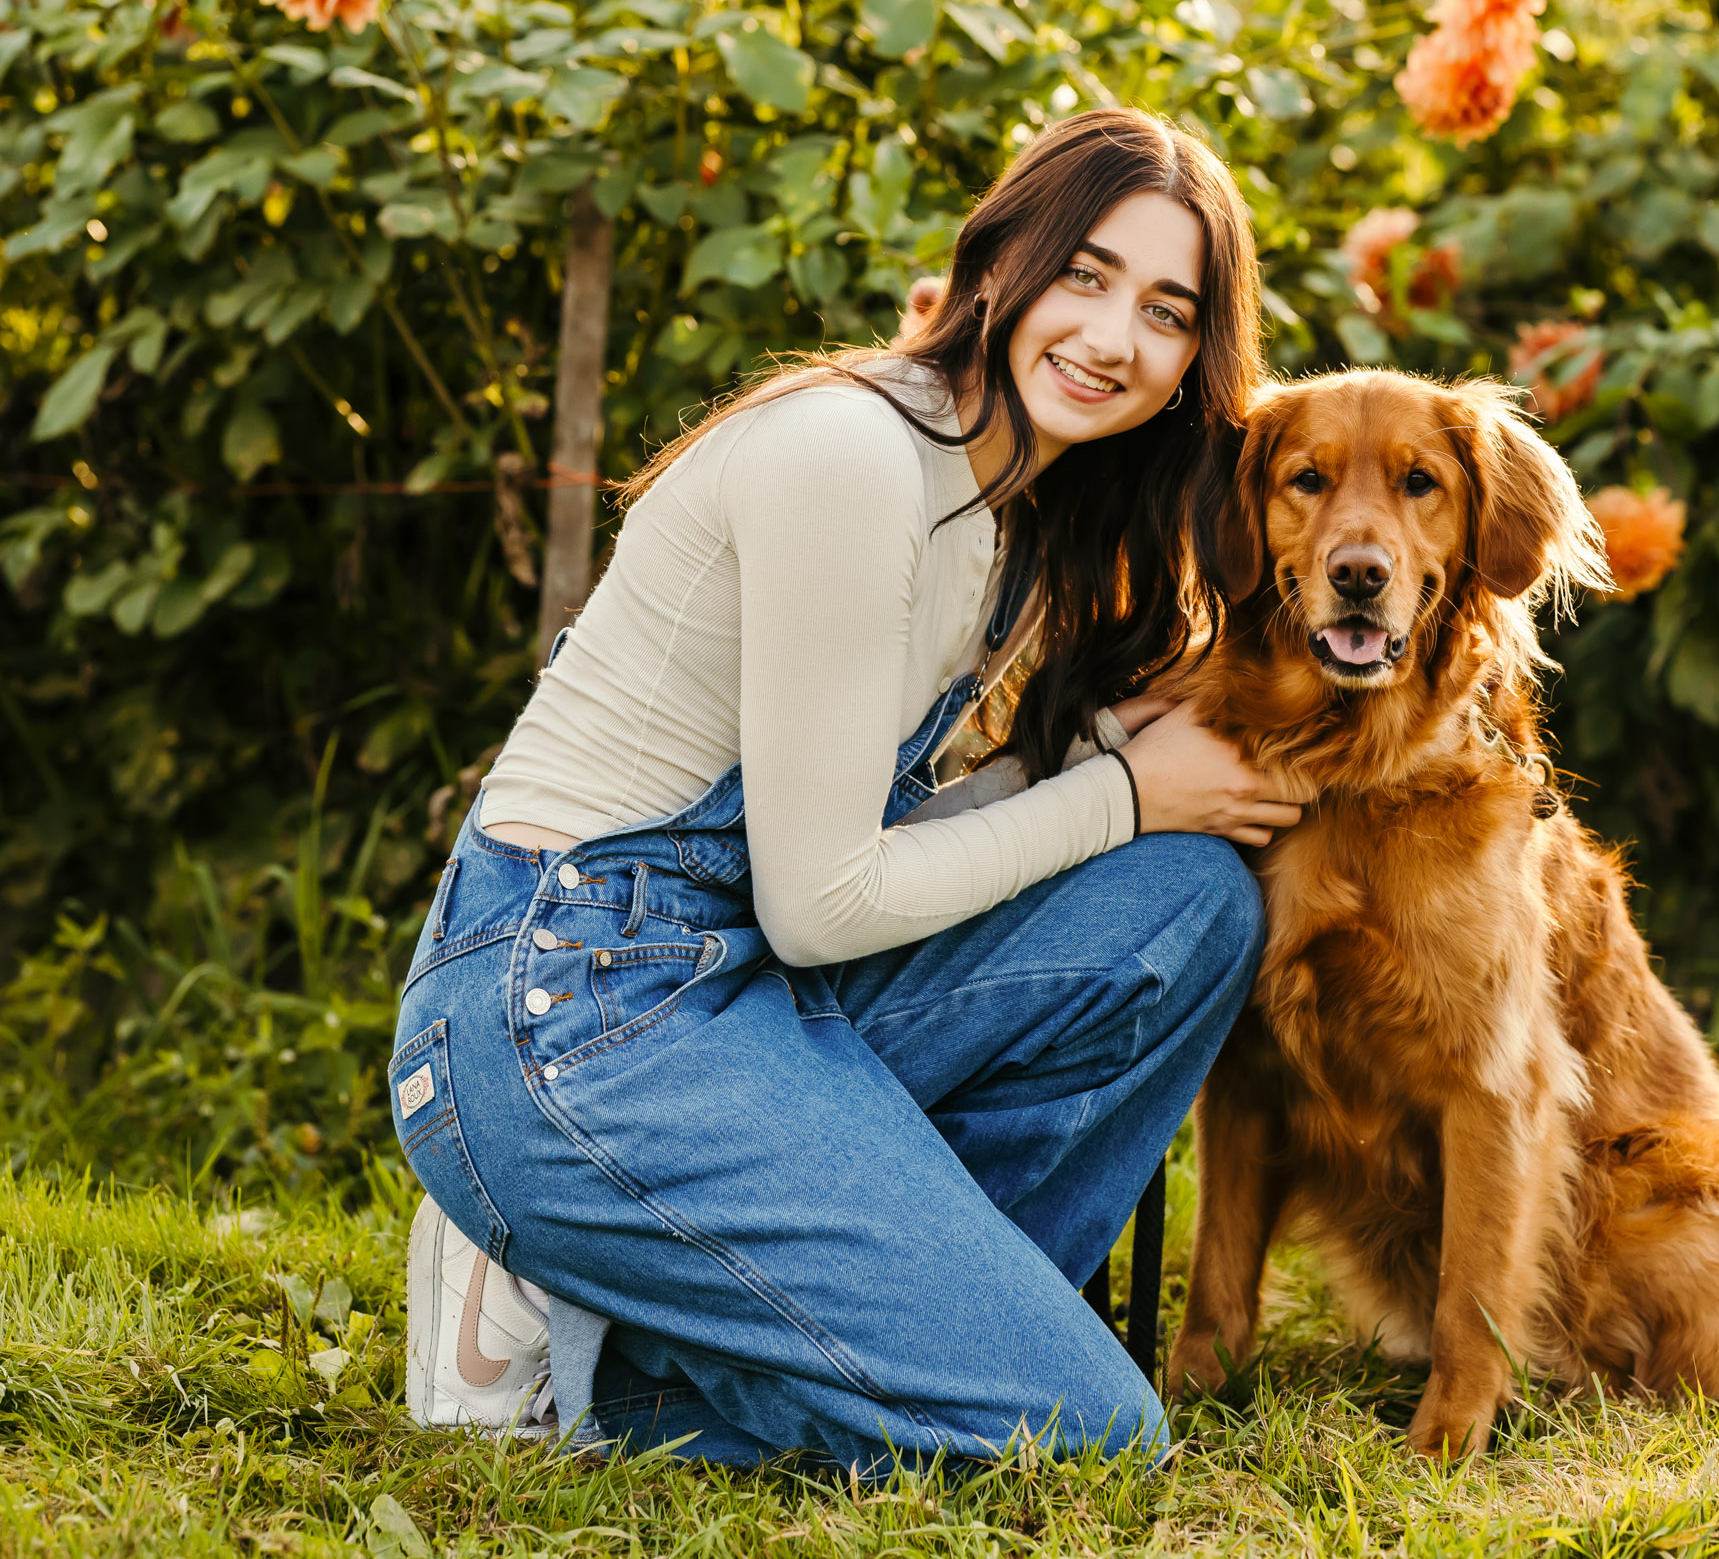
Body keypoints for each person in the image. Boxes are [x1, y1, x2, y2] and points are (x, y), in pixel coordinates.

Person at [391, 109, 1302, 1474]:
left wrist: (1102, 768)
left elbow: (831, 853)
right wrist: (1119, 793)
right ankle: (569, 1355)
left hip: (733, 977)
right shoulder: (857, 457)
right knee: (1088, 1431)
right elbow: (823, 900)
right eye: (1087, 273)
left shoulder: (1008, 518)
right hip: (564, 1006)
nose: (1115, 337)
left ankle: (781, 1308)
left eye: (1169, 312)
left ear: (1192, 366)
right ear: (1002, 262)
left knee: (1186, 899)